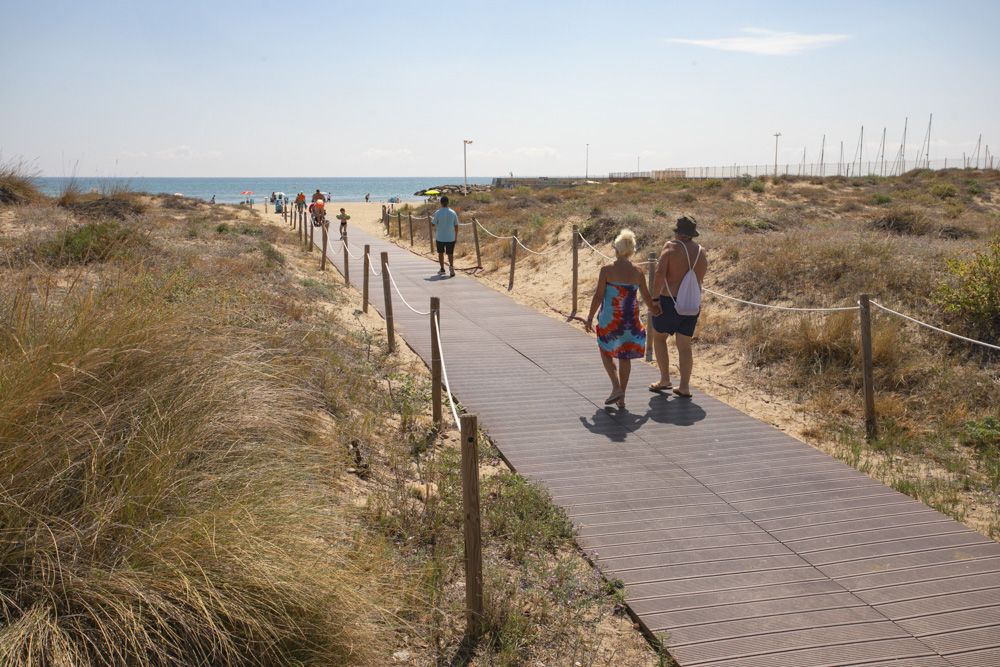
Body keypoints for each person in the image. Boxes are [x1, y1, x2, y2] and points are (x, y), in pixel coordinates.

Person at [585, 230, 660, 410]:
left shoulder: (607, 270)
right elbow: (648, 299)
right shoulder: (638, 272)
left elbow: (598, 296)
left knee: (605, 349)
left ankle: (616, 387)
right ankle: (621, 397)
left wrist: (589, 317)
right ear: (631, 251)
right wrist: (656, 310)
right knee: (624, 356)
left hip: (610, 320)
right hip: (630, 321)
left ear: (617, 249)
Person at [649, 216, 709, 398]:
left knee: (659, 339)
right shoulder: (701, 251)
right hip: (691, 303)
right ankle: (684, 386)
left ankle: (665, 379)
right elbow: (701, 277)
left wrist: (654, 299)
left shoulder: (671, 248)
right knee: (685, 346)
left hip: (669, 301)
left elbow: (659, 275)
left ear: (678, 232)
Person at [431, 195, 459, 277]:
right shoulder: (453, 212)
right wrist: (456, 237)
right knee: (450, 254)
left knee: (440, 253)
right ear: (448, 202)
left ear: (441, 203)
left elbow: (432, 224)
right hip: (450, 237)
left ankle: (442, 269)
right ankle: (451, 267)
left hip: (440, 237)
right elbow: (456, 226)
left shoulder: (437, 212)